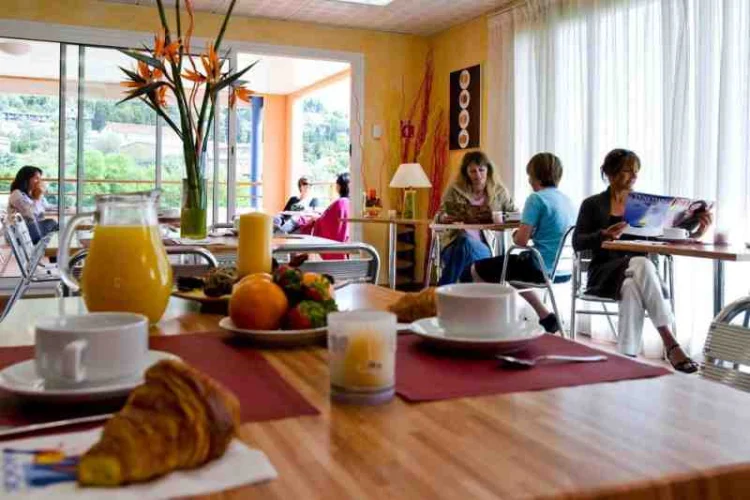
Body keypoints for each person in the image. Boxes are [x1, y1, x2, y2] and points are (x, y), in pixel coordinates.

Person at [572, 149, 711, 373]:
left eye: (636, 171)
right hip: (604, 274)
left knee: (631, 285)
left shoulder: (644, 205)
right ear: (610, 173)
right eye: (627, 170)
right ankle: (670, 342)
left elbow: (660, 239)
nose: (634, 176)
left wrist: (695, 233)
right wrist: (604, 234)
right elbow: (578, 242)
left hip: (637, 277)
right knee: (642, 263)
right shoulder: (593, 204)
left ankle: (626, 358)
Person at [463, 153, 575, 334]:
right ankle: (545, 316)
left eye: (530, 175)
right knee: (510, 271)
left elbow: (520, 241)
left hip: (539, 267)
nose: (529, 180)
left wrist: (517, 234)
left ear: (535, 175)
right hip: (562, 270)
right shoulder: (566, 200)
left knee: (475, 269)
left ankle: (488, 323)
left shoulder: (536, 199)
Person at [435, 151, 517, 285]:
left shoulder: (499, 192)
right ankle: (457, 289)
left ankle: (440, 291)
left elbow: (515, 215)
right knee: (463, 243)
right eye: (473, 171)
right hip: (453, 244)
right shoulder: (454, 190)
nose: (477, 175)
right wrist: (443, 218)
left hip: (484, 247)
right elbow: (439, 215)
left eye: (481, 170)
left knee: (465, 245)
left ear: (488, 170)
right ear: (466, 173)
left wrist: (501, 218)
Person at [298, 173, 350, 259]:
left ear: (339, 186)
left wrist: (316, 219)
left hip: (334, 244)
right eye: (304, 184)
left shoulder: (340, 202)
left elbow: (327, 222)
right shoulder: (348, 202)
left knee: (299, 224)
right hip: (343, 243)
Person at [6, 165, 59, 244]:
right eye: (36, 178)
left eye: (40, 179)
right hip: (19, 234)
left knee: (54, 228)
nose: (39, 182)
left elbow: (46, 206)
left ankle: (53, 249)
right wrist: (37, 196)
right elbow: (31, 214)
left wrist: (63, 207)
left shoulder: (32, 193)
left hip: (31, 229)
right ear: (26, 179)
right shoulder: (16, 194)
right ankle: (54, 249)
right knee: (52, 223)